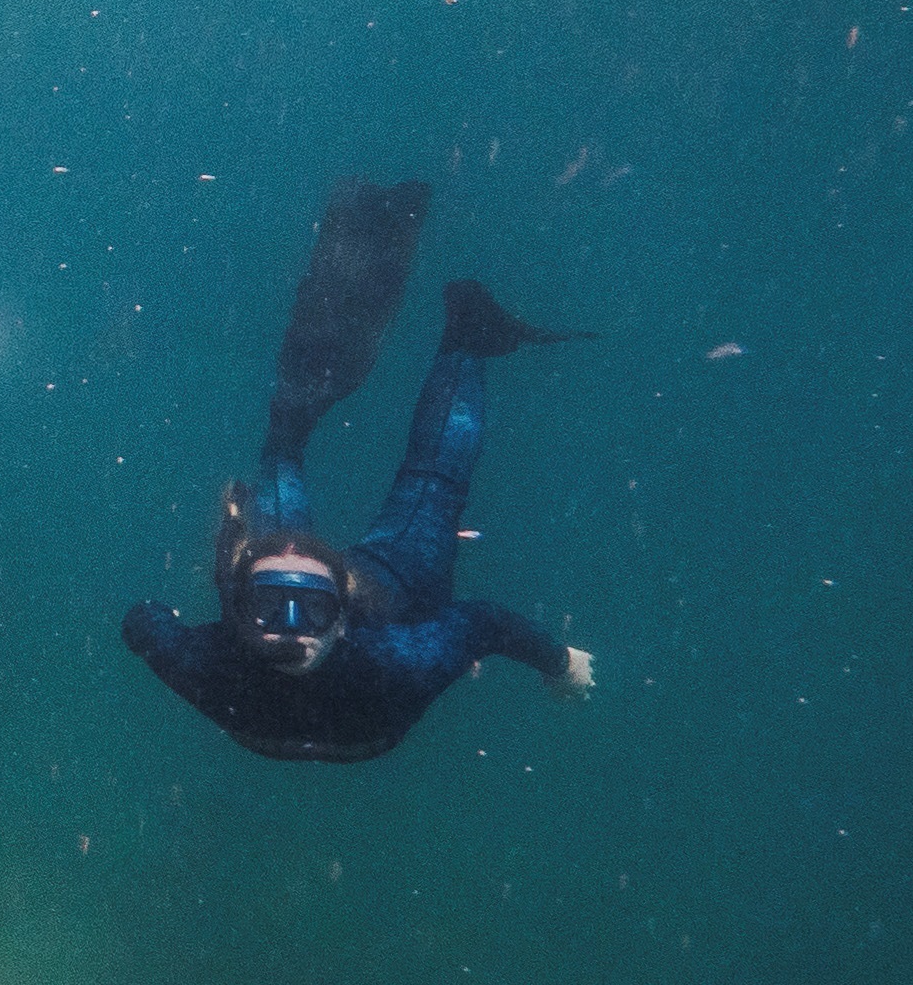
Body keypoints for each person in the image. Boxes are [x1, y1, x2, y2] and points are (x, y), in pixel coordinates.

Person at [125, 178, 595, 762]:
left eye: (312, 609)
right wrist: (560, 662)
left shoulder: (219, 663)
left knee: (303, 460)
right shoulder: (399, 667)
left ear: (343, 617)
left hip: (373, 597)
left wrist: (207, 601)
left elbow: (144, 625)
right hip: (395, 593)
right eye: (272, 607)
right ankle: (469, 338)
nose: (291, 629)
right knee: (430, 485)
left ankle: (307, 423)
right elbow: (482, 622)